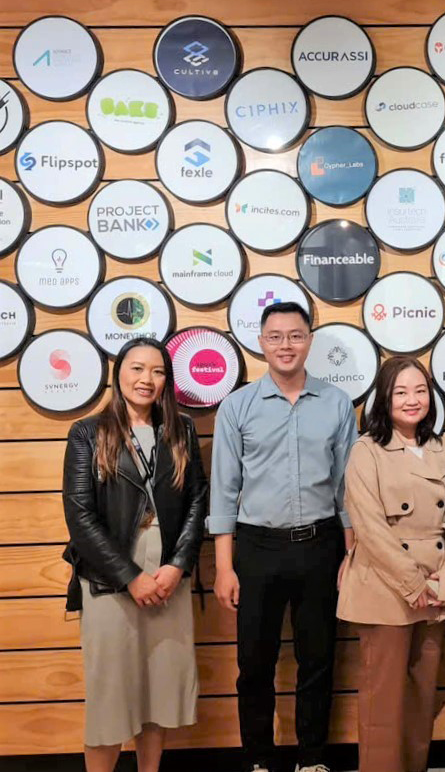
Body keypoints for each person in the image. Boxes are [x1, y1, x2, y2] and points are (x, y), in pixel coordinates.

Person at [209, 302, 358, 772]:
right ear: (261, 342)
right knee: (254, 665)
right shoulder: (237, 407)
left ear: (310, 340)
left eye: (295, 335)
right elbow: (224, 490)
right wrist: (224, 567)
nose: (285, 345)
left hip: (320, 546)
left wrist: (351, 555)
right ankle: (258, 759)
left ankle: (312, 758)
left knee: (317, 661)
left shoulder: (335, 403)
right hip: (256, 549)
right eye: (275, 337)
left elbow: (347, 488)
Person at [62, 337, 207, 772]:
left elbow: (197, 501)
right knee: (110, 700)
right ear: (119, 373)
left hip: (167, 578)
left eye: (158, 371)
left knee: (158, 695)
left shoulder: (180, 430)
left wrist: (177, 565)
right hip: (110, 581)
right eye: (138, 368)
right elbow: (80, 515)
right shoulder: (88, 432)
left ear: (168, 379)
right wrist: (130, 576)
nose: (147, 379)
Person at [337, 356, 445, 772]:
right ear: (383, 398)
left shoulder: (442, 449)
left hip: (435, 593)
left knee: (421, 697)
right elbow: (370, 530)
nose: (413, 400)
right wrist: (415, 584)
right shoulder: (366, 451)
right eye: (401, 391)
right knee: (383, 702)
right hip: (386, 590)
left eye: (420, 390)